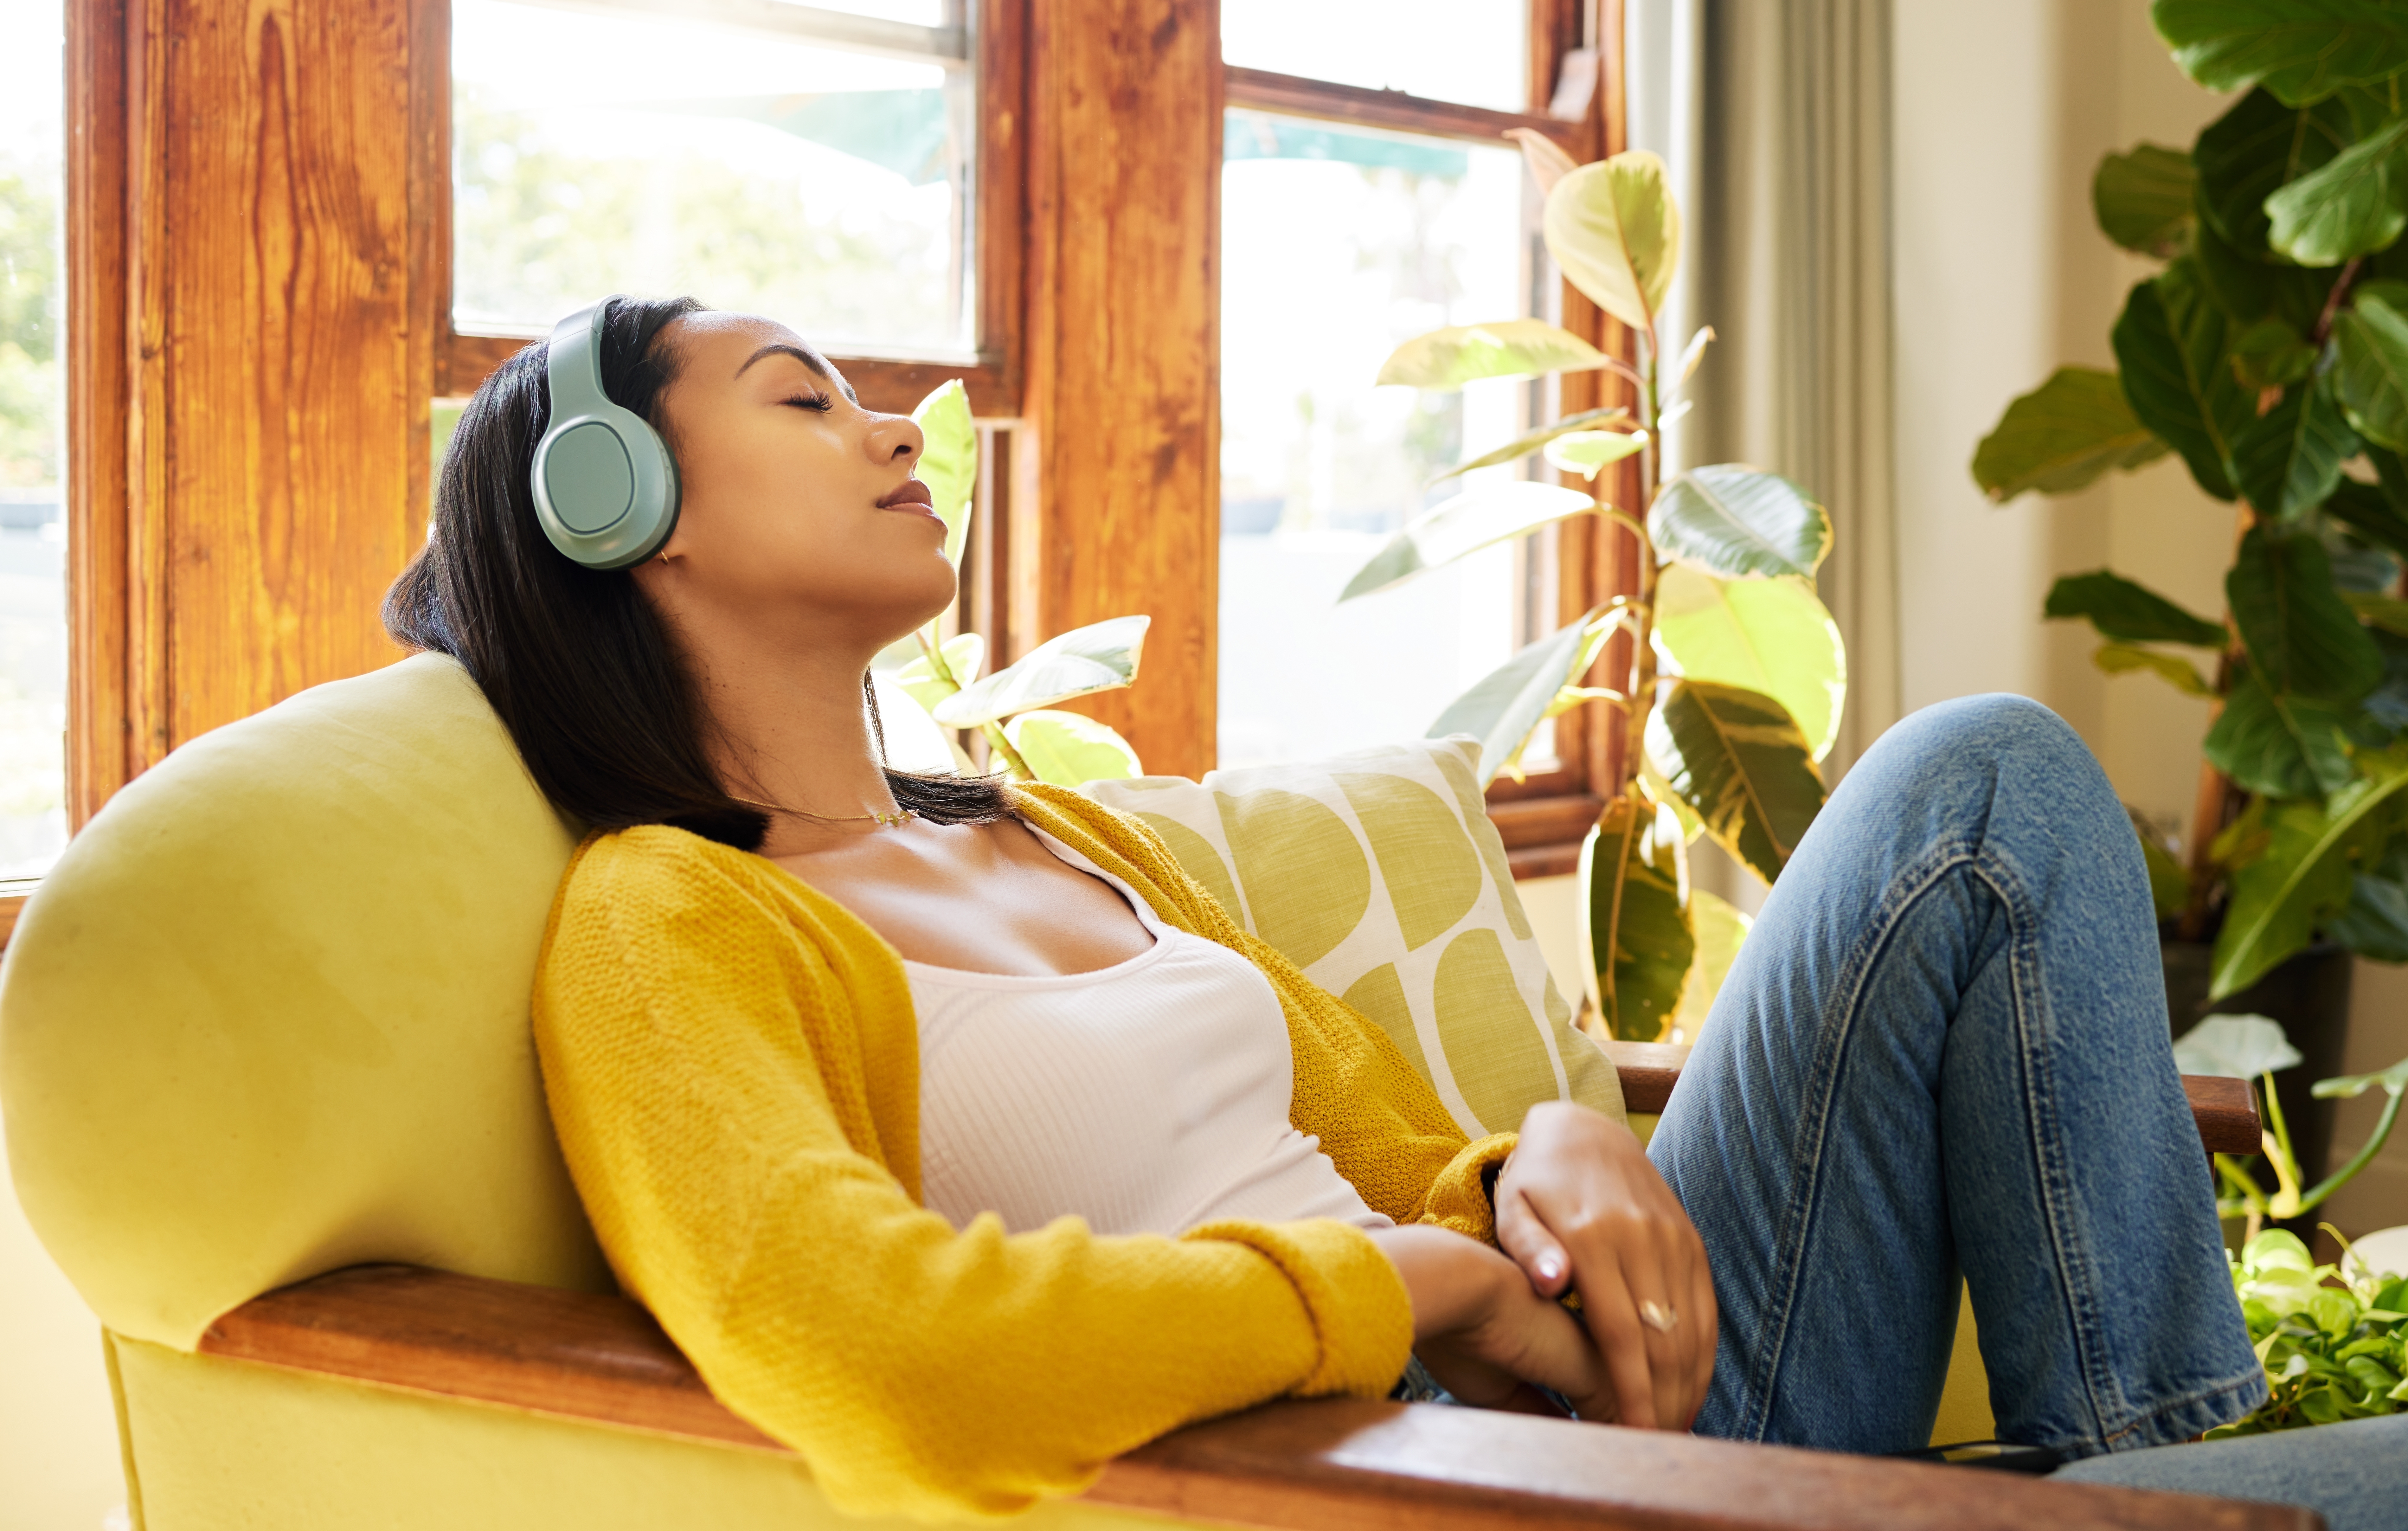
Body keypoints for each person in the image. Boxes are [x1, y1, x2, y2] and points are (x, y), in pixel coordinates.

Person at [384, 296, 2380, 1525]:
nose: (899, 425)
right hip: (1402, 1477)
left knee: (1986, 777)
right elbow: (882, 1360)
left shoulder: (1055, 837)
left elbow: (1393, 1147)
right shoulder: (671, 925)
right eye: (801, 399)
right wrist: (1408, 1293)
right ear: (609, 507)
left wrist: (1555, 1147)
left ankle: (2141, 1483)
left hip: (1594, 1397)